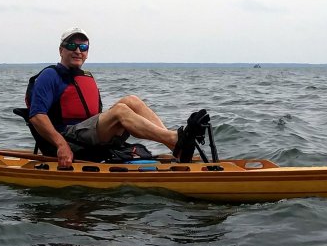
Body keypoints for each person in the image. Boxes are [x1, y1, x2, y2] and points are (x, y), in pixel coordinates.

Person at [26, 27, 208, 168]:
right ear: (61, 50)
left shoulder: (85, 77)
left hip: (88, 134)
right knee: (121, 111)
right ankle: (175, 139)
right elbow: (36, 116)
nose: (78, 51)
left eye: (83, 47)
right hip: (69, 137)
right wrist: (61, 145)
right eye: (72, 46)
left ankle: (176, 148)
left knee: (131, 101)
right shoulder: (50, 76)